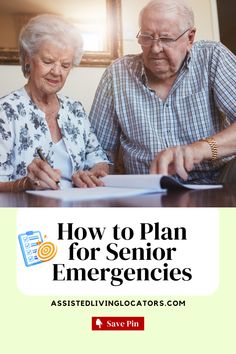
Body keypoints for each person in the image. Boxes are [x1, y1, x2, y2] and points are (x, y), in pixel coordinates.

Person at [89, 0, 236, 184]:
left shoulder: (212, 57)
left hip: (218, 182)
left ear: (190, 38)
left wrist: (198, 150)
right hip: (146, 190)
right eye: (147, 37)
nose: (155, 48)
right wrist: (99, 168)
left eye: (166, 39)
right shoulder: (117, 74)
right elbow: (98, 148)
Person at [0, 14, 109, 192]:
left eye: (65, 65)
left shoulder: (75, 110)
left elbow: (99, 160)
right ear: (28, 58)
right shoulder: (5, 111)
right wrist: (26, 185)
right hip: (25, 215)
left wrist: (93, 175)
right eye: (48, 61)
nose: (57, 72)